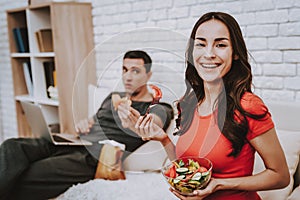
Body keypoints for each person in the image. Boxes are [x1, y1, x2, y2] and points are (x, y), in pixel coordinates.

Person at [135, 12, 290, 200]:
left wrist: (218, 184)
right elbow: (187, 168)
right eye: (201, 44)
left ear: (235, 54)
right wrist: (164, 139)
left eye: (221, 45)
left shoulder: (249, 106)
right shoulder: (189, 103)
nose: (209, 54)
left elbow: (280, 176)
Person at [0, 50, 173, 200]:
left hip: (93, 157)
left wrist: (132, 123)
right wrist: (85, 123)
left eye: (135, 71)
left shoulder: (159, 107)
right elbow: (94, 120)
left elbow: (153, 126)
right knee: (12, 146)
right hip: (73, 141)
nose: (127, 77)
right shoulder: (114, 97)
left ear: (148, 76)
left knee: (30, 173)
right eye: (124, 69)